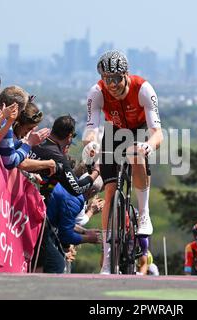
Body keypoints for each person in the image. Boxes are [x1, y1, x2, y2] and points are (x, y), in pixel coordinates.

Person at [82, 50, 163, 274]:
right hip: (112, 132)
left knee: (137, 155)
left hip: (138, 132)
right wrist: (90, 144)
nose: (112, 84)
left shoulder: (143, 89)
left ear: (126, 74)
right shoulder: (97, 92)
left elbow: (158, 133)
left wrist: (148, 145)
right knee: (109, 192)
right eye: (107, 79)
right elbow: (91, 128)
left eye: (117, 78)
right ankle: (107, 259)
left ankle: (144, 213)